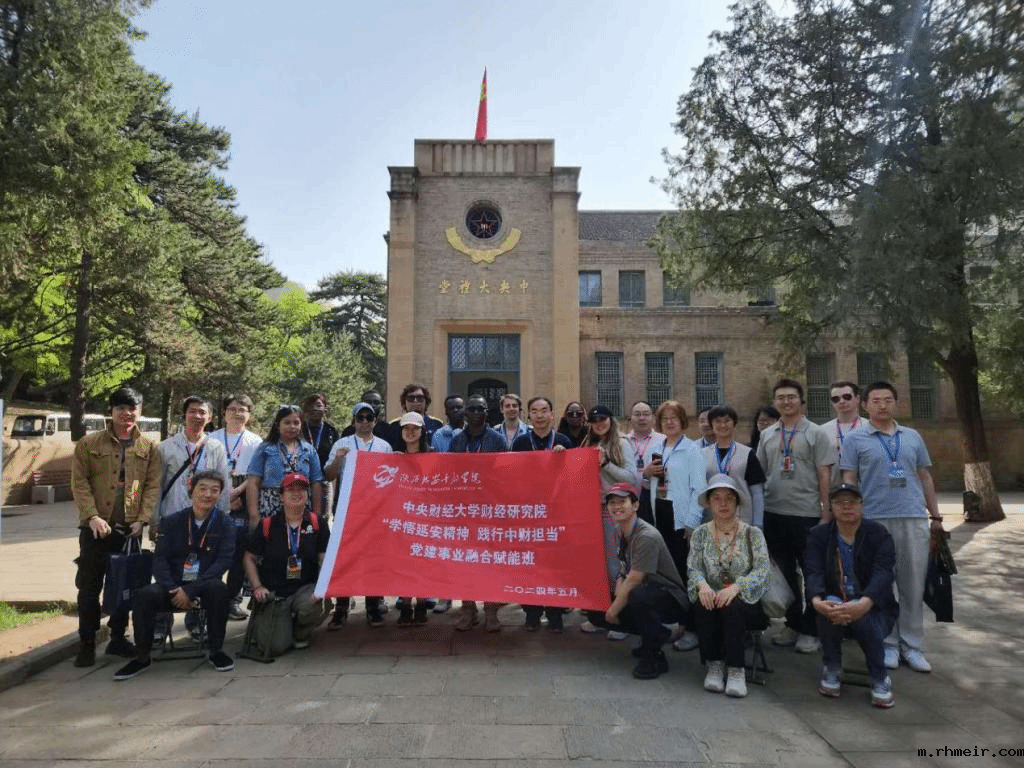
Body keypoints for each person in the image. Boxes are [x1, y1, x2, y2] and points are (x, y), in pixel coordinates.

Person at [841, 381, 942, 673]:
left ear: (896, 403)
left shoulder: (911, 436)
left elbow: (924, 476)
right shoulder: (856, 440)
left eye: (887, 400)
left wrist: (935, 516)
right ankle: (887, 643)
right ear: (865, 405)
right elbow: (849, 480)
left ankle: (913, 645)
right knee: (881, 585)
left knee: (912, 584)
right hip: (874, 521)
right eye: (875, 400)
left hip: (912, 517)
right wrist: (851, 517)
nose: (882, 405)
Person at [71, 386, 162, 667]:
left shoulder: (149, 447)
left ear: (140, 412)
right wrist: (92, 516)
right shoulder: (89, 444)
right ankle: (87, 643)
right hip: (96, 528)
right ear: (111, 411)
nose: (127, 413)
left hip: (128, 530)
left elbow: (152, 486)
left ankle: (118, 639)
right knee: (89, 588)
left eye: (132, 408)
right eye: (121, 408)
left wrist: (141, 520)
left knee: (124, 585)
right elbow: (80, 483)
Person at [113, 470, 235, 680]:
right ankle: (142, 657)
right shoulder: (172, 522)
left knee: (220, 590)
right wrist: (173, 588)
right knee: (145, 595)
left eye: (214, 490)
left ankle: (216, 651)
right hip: (173, 585)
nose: (208, 494)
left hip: (204, 585)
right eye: (203, 489)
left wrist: (191, 590)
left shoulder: (226, 524)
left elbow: (223, 562)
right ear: (191, 491)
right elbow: (159, 560)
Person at [756, 379, 834, 655]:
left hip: (808, 513)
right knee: (785, 573)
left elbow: (824, 473)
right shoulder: (767, 434)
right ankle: (793, 623)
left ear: (801, 400)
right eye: (781, 397)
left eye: (791, 397)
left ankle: (812, 629)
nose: (786, 402)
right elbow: (760, 474)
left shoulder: (816, 433)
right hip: (774, 513)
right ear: (775, 402)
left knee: (813, 572)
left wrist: (826, 511)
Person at [805, 483, 898, 708]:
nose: (846, 507)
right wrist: (817, 601)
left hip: (873, 605)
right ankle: (832, 667)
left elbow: (884, 573)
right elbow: (813, 571)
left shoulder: (878, 534)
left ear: (862, 505)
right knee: (829, 608)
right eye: (839, 502)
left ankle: (879, 676)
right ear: (831, 507)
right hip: (835, 600)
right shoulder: (819, 535)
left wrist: (865, 602)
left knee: (865, 618)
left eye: (852, 502)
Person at [584, 483, 688, 680]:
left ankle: (653, 656)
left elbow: (635, 579)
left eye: (622, 501)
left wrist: (614, 610)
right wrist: (614, 598)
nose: (617, 507)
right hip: (645, 590)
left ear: (635, 505)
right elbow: (623, 571)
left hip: (670, 596)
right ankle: (656, 634)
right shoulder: (620, 530)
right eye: (612, 503)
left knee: (638, 597)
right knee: (596, 608)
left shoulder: (646, 535)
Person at [688, 474, 770, 699]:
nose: (723, 504)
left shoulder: (752, 534)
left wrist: (737, 587)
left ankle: (736, 669)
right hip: (713, 597)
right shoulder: (700, 534)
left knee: (732, 606)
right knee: (703, 603)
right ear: (709, 503)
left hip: (745, 602)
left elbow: (763, 571)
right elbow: (693, 568)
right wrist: (702, 585)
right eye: (716, 498)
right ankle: (714, 664)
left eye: (729, 498)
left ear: (737, 502)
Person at [323, 401, 394, 629]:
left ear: (375, 421)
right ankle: (341, 607)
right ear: (353, 421)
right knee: (345, 558)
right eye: (360, 418)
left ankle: (373, 607)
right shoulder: (342, 443)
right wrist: (338, 459)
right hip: (347, 510)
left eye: (368, 417)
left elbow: (391, 477)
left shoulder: (384, 446)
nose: (364, 422)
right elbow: (328, 475)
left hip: (375, 511)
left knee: (374, 559)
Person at [642, 400, 706, 652]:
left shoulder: (692, 449)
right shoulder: (656, 447)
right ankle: (675, 622)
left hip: (681, 518)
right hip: (660, 514)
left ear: (682, 421)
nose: (669, 422)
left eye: (674, 418)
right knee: (667, 575)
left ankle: (692, 628)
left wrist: (692, 522)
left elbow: (699, 489)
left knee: (685, 574)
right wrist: (646, 472)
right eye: (665, 418)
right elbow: (646, 484)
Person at [243, 472, 330, 656]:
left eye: (301, 489)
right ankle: (276, 626)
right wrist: (257, 586)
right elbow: (249, 557)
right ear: (281, 496)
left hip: (304, 588)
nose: (297, 493)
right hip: (275, 592)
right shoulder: (267, 525)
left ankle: (300, 632)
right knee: (275, 647)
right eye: (291, 490)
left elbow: (324, 559)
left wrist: (322, 588)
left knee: (310, 606)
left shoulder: (317, 523)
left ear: (307, 494)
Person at [512, 396, 574, 630]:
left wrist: (564, 458)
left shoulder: (563, 441)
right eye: (535, 411)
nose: (539, 415)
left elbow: (574, 475)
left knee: (556, 564)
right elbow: (512, 475)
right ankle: (532, 613)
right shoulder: (520, 443)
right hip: (529, 512)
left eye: (544, 410)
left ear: (551, 414)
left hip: (557, 512)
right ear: (528, 415)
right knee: (530, 564)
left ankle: (555, 613)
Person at [580, 405, 640, 640]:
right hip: (590, 510)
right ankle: (600, 617)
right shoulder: (588, 443)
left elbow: (632, 479)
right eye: (594, 420)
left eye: (603, 419)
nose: (599, 424)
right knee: (596, 566)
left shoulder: (621, 443)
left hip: (613, 510)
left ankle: (620, 619)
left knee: (616, 566)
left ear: (611, 420)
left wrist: (606, 464)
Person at [449, 394, 507, 632]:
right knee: (465, 562)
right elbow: (449, 472)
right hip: (463, 510)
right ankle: (468, 609)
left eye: (480, 409)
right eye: (471, 409)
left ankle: (491, 611)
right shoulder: (457, 441)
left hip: (489, 509)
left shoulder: (498, 440)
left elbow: (506, 474)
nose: (476, 413)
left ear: (486, 412)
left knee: (489, 562)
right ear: (465, 413)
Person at [210, 393, 262, 621]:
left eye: (242, 409)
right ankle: (209, 600)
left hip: (243, 499)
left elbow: (255, 474)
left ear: (249, 415)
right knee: (212, 552)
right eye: (232, 409)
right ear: (224, 413)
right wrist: (225, 497)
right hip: (215, 499)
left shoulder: (255, 441)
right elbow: (205, 471)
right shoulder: (212, 438)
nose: (237, 413)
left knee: (239, 554)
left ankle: (233, 600)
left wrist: (237, 492)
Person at [153, 395, 231, 540]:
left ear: (209, 417)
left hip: (205, 519)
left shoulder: (216, 448)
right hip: (172, 515)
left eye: (202, 412)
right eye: (192, 411)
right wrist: (154, 520)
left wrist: (223, 516)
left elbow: (223, 485)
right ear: (184, 415)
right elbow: (156, 485)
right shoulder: (166, 447)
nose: (197, 416)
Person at [246, 405, 324, 527]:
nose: (292, 426)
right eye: (287, 423)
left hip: (301, 506)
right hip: (271, 507)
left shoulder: (309, 450)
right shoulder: (265, 448)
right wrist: (254, 515)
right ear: (278, 426)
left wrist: (317, 515)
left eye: (296, 423)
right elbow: (253, 482)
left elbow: (316, 483)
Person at [394, 411, 433, 625]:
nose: (410, 432)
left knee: (423, 563)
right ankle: (406, 604)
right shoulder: (395, 458)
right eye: (406, 428)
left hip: (426, 518)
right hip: (403, 517)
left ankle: (421, 604)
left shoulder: (433, 457)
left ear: (422, 431)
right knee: (404, 563)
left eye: (415, 428)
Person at [701, 405, 767, 528]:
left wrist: (758, 524)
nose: (723, 425)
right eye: (717, 421)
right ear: (711, 425)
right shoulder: (702, 455)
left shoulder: (747, 453)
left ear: (734, 424)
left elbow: (757, 492)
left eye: (727, 421)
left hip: (742, 519)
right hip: (711, 520)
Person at [624, 400, 664, 528]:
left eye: (646, 414)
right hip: (628, 498)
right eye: (637, 414)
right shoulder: (622, 442)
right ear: (630, 418)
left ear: (653, 418)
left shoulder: (663, 440)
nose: (642, 418)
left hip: (657, 499)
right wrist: (644, 474)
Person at [821, 381, 864, 486]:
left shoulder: (869, 428)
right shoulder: (822, 431)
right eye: (836, 399)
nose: (842, 401)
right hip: (833, 488)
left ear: (857, 398)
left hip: (864, 488)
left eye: (847, 397)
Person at [385, 383, 443, 451]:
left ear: (426, 402)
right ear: (404, 402)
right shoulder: (394, 425)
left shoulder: (436, 424)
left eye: (420, 398)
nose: (415, 401)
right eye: (411, 398)